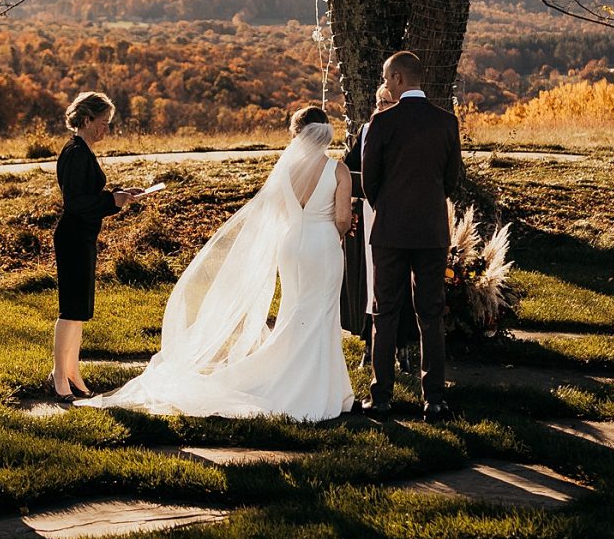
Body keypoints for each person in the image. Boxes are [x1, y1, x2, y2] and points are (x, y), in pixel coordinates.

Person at [82, 107, 355, 422]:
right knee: (320, 314)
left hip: (291, 246)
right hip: (323, 247)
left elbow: (278, 212)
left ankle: (294, 377)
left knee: (293, 313)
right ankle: (318, 388)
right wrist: (335, 232)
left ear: (297, 134)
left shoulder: (287, 169)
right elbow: (342, 219)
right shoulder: (338, 170)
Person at [361, 51, 461, 424]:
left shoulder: (382, 121)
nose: (385, 83)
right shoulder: (446, 122)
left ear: (399, 79)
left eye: (387, 77)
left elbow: (370, 180)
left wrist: (388, 208)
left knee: (385, 312)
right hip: (432, 230)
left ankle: (381, 398)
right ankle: (433, 400)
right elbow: (451, 180)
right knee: (431, 314)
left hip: (390, 230)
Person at [52, 92, 137, 400]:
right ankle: (58, 375)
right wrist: (111, 201)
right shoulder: (75, 152)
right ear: (87, 120)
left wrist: (119, 195)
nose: (107, 129)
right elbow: (75, 203)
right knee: (70, 309)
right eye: (103, 122)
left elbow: (88, 196)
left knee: (80, 311)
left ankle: (72, 372)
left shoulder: (83, 151)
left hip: (84, 235)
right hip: (73, 236)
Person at [342, 83, 397, 359]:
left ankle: (401, 345)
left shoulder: (404, 131)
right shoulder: (365, 131)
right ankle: (368, 341)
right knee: (369, 279)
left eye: (386, 102)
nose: (380, 107)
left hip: (398, 214)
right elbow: (349, 167)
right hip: (369, 212)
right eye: (378, 102)